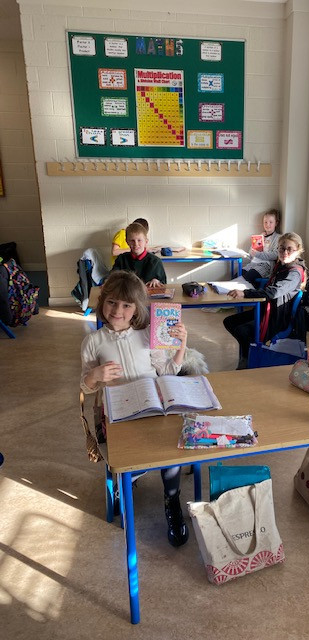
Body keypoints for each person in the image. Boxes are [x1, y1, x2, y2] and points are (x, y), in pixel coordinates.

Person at [80, 270, 189, 547]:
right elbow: (86, 386)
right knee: (128, 455)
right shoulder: (93, 341)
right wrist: (95, 376)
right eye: (112, 302)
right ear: (102, 302)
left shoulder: (146, 335)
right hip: (118, 415)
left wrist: (181, 345)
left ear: (137, 308)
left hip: (153, 407)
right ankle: (127, 480)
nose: (118, 310)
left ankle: (172, 500)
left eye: (126, 305)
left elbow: (167, 370)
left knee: (170, 448)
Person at [224, 232, 308, 370]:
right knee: (229, 322)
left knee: (243, 331)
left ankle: (248, 359)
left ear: (298, 250)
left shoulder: (294, 273)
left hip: (278, 317)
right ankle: (248, 352)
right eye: (281, 248)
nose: (285, 252)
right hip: (268, 310)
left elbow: (273, 292)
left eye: (289, 249)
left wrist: (245, 293)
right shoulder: (281, 265)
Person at [112, 221, 166, 288]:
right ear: (127, 242)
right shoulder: (121, 259)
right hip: (127, 293)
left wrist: (157, 281)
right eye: (132, 241)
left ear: (146, 241)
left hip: (148, 294)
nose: (136, 244)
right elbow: (112, 278)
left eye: (139, 240)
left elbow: (163, 284)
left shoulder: (155, 261)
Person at [242, 208, 282, 286]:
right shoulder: (260, 236)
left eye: (271, 222)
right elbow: (250, 253)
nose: (267, 224)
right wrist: (259, 239)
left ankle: (245, 292)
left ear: (276, 223)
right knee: (237, 275)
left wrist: (257, 254)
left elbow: (275, 255)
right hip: (253, 263)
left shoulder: (278, 238)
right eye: (265, 222)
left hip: (265, 265)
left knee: (246, 278)